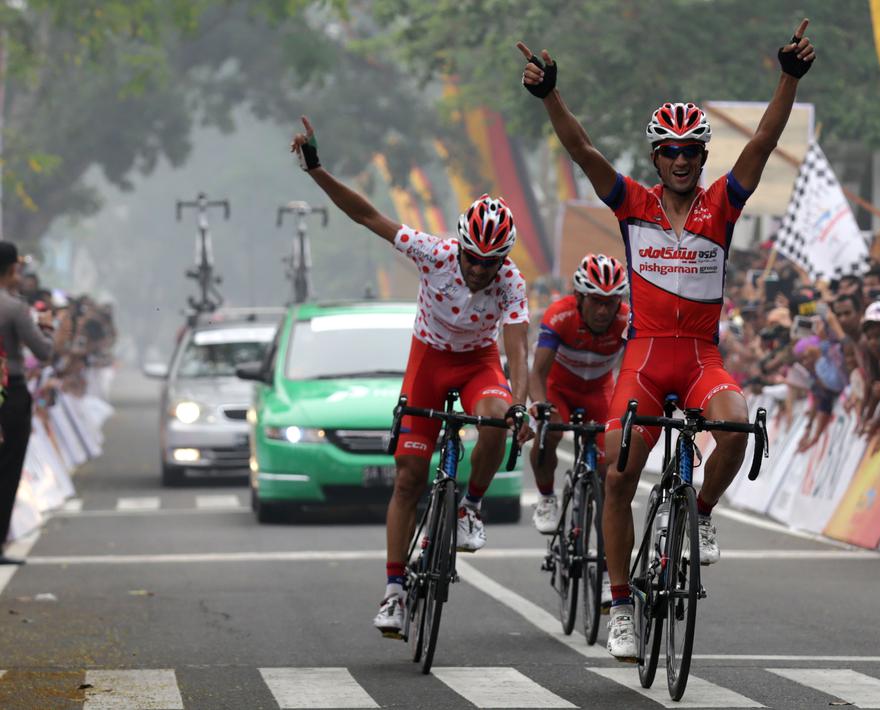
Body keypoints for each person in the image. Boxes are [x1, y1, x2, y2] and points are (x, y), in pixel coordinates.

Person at [519, 18, 814, 661]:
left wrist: (787, 80)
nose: (681, 160)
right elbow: (583, 150)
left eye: (691, 151)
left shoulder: (722, 205)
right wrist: (549, 97)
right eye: (670, 151)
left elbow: (763, 141)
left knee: (735, 427)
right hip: (646, 361)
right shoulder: (631, 205)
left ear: (702, 158)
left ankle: (701, 511)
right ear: (656, 157)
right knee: (618, 470)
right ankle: (621, 604)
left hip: (702, 357)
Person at [288, 117, 531, 638]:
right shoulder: (434, 252)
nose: (480, 272)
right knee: (408, 479)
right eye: (474, 259)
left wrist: (523, 405)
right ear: (459, 246)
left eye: (492, 263)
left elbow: (518, 348)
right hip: (429, 360)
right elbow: (366, 215)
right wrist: (316, 170)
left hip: (478, 363)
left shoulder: (511, 280)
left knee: (497, 416)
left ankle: (471, 507)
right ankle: (395, 591)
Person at [525, 254, 629, 539]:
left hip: (599, 392)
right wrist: (538, 406)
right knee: (550, 433)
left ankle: (608, 564)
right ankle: (546, 496)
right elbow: (537, 373)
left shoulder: (626, 320)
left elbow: (632, 373)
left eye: (610, 302)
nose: (603, 310)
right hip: (559, 390)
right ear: (579, 297)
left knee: (610, 472)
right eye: (595, 300)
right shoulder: (560, 315)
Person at [0, 242, 63, 564]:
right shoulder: (14, 308)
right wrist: (48, 327)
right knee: (8, 468)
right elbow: (43, 352)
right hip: (9, 393)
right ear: (12, 269)